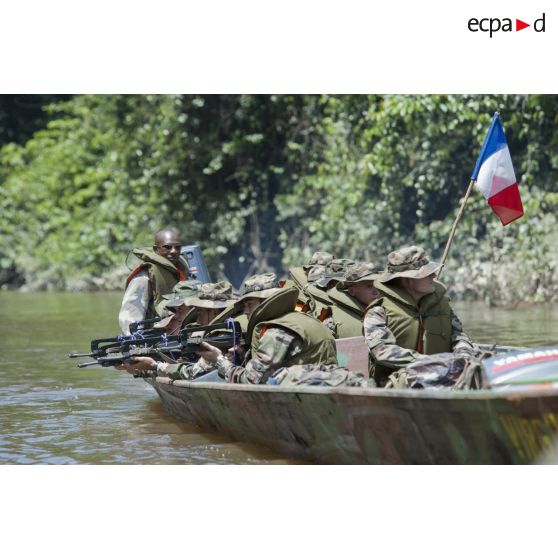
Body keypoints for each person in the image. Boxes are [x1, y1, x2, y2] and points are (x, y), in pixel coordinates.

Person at [363, 245, 474, 387]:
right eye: (426, 273)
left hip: (445, 376)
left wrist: (463, 357)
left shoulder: (442, 306)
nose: (433, 276)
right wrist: (428, 362)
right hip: (398, 383)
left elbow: (459, 336)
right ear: (407, 280)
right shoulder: (378, 311)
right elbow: (382, 351)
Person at [116, 281, 238, 380]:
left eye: (199, 311)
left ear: (215, 312)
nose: (175, 316)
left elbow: (194, 373)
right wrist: (140, 368)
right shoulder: (207, 332)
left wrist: (155, 366)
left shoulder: (223, 335)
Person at [118, 228, 189, 335]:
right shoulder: (143, 277)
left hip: (174, 333)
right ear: (156, 250)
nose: (174, 251)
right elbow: (129, 317)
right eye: (167, 247)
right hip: (152, 338)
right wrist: (136, 343)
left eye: (177, 247)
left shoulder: (178, 270)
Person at [325, 262, 384, 338]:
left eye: (377, 284)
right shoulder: (332, 322)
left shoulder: (391, 310)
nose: (376, 291)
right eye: (369, 286)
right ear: (352, 291)